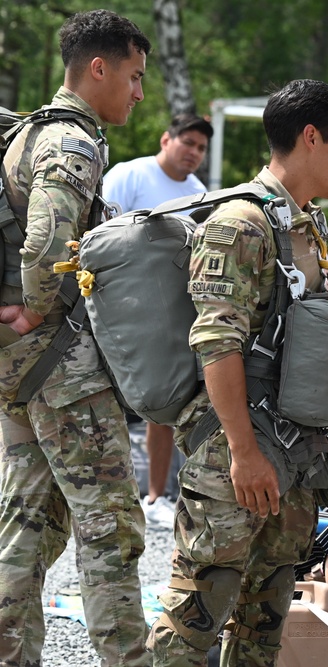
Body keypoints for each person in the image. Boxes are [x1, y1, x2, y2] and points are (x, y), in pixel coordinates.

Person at [145, 79, 328, 666]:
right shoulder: (241, 224)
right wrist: (242, 452)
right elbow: (216, 341)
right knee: (195, 617)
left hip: (293, 456)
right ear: (309, 138)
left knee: (264, 624)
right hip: (236, 456)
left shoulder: (305, 223)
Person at [0, 10, 151, 667]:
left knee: (28, 523)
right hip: (62, 368)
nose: (139, 92)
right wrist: (35, 309)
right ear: (100, 68)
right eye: (135, 75)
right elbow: (46, 237)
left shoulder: (26, 134)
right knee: (111, 527)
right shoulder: (73, 140)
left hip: (20, 369)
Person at [103, 112, 214, 527]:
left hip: (167, 306)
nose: (194, 153)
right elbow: (100, 233)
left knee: (165, 399)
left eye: (201, 148)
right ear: (167, 139)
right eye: (188, 142)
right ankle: (109, 492)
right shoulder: (129, 175)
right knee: (107, 398)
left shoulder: (199, 193)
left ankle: (155, 495)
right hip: (116, 301)